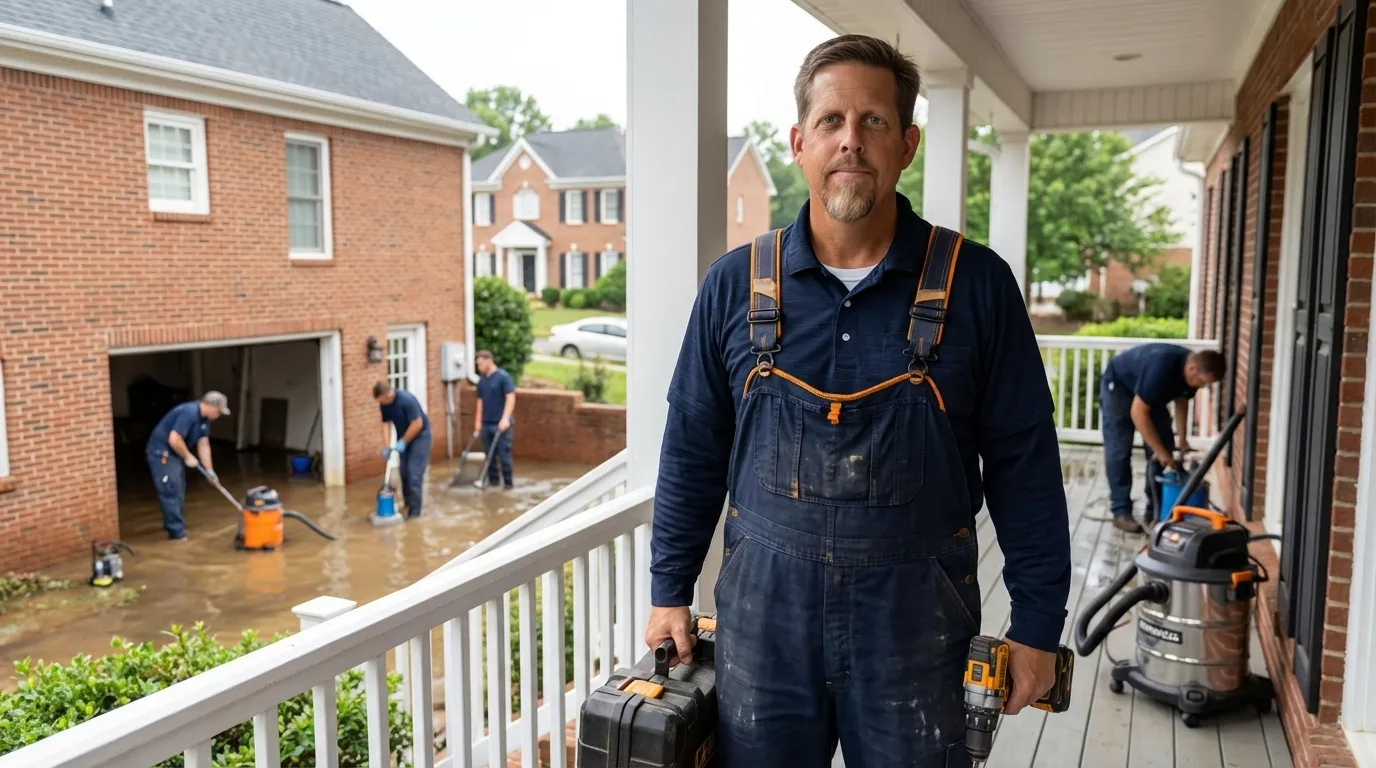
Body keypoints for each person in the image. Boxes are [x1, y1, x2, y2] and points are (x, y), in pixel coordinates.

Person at [645, 34, 1071, 768]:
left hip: (916, 634)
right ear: (799, 143)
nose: (851, 141)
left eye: (873, 122)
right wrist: (668, 589)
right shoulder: (734, 285)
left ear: (906, 144)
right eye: (832, 122)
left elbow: (1024, 467)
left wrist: (1036, 626)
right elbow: (691, 447)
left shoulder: (978, 286)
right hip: (763, 630)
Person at [1099, 343, 1226, 532]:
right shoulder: (1161, 368)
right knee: (1120, 449)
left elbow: (1182, 401)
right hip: (1119, 385)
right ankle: (1121, 511)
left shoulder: (1192, 371)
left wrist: (1182, 440)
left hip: (1150, 394)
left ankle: (1156, 508)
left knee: (1165, 445)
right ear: (1192, 369)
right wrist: (1161, 453)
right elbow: (1138, 413)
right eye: (1202, 383)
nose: (1203, 387)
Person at [146, 391, 229, 541]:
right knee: (170, 488)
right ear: (209, 405)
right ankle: (177, 535)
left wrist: (210, 471)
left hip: (175, 453)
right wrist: (188, 456)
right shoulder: (189, 412)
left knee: (179, 490)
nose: (219, 415)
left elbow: (203, 444)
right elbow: (174, 439)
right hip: (162, 452)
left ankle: (171, 524)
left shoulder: (205, 420)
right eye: (218, 411)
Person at [374, 381, 432, 517]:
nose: (381, 404)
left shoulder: (406, 400)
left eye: (381, 401)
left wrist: (402, 442)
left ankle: (415, 514)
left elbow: (418, 423)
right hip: (404, 438)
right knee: (404, 473)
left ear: (387, 395)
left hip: (420, 437)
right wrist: (387, 446)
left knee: (414, 474)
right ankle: (407, 505)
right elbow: (385, 424)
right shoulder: (384, 405)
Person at [473, 350, 516, 489]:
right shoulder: (482, 380)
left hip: (501, 424)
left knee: (504, 455)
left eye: (480, 364)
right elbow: (480, 401)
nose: (479, 367)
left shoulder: (503, 377)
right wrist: (478, 421)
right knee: (489, 456)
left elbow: (510, 398)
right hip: (486, 424)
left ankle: (508, 484)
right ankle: (493, 482)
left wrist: (505, 419)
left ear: (488, 360)